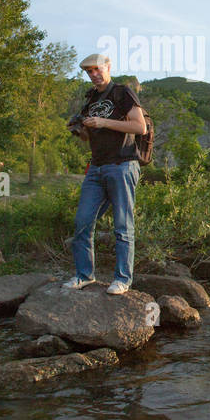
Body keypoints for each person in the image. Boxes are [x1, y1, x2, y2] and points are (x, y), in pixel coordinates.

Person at [63, 53, 147, 295]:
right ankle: (84, 276)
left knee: (122, 225)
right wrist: (80, 129)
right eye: (89, 72)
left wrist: (103, 122)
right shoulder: (90, 98)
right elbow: (89, 137)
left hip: (122, 164)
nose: (93, 74)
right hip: (97, 167)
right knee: (82, 222)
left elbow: (139, 126)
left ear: (108, 67)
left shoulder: (122, 92)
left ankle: (122, 279)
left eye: (97, 69)